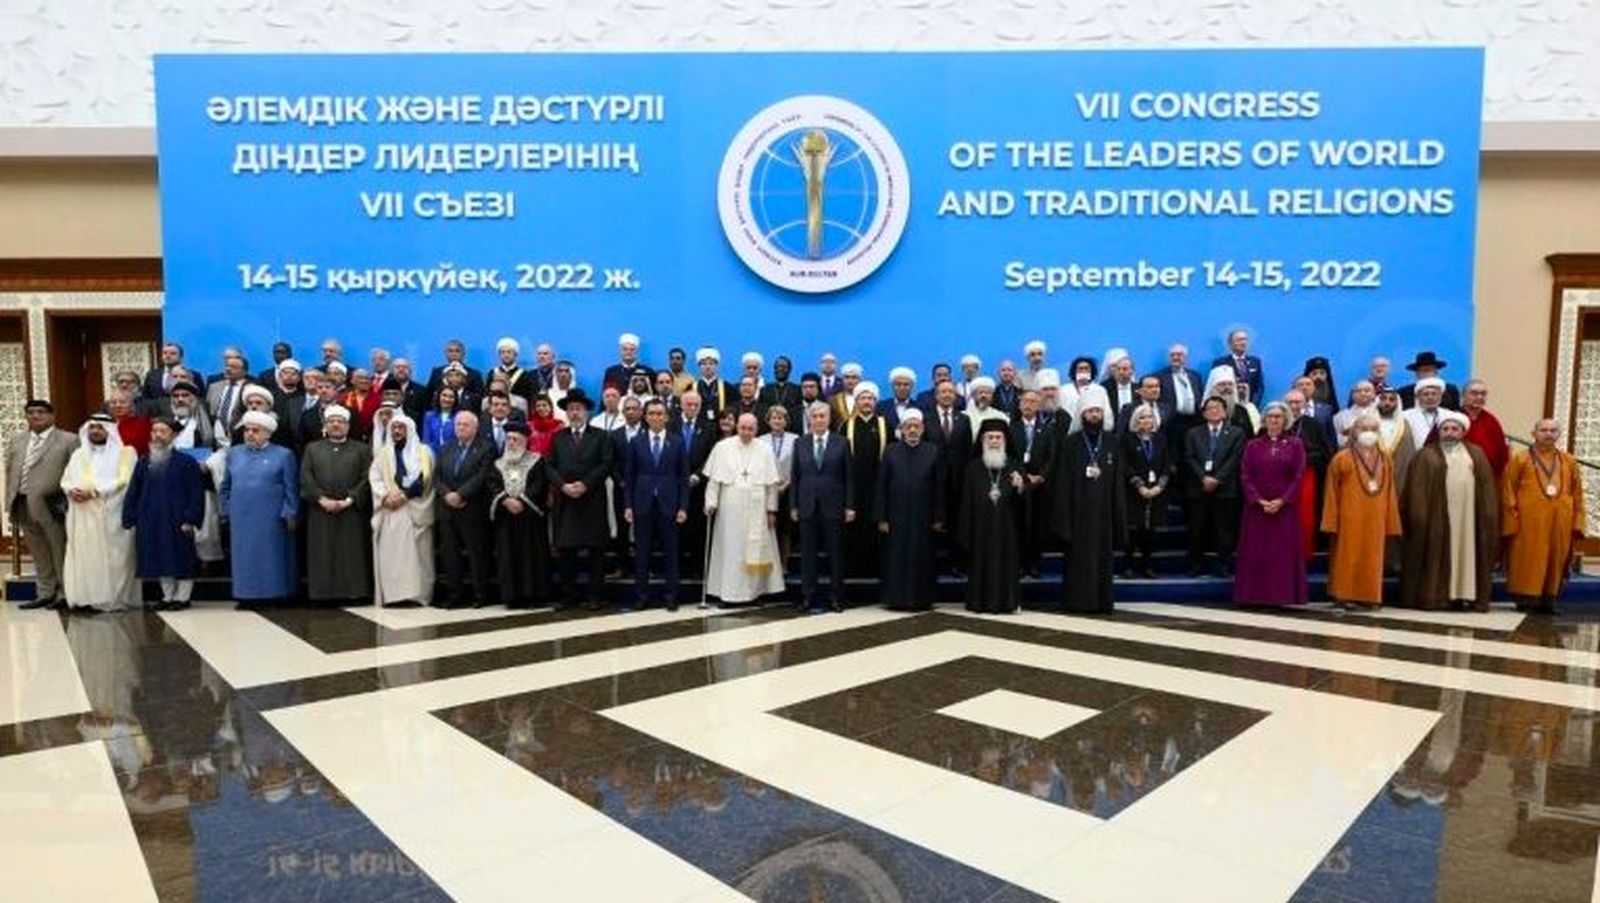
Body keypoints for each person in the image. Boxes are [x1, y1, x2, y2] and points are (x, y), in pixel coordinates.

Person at [1400, 411, 1498, 611]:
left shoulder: (1476, 454)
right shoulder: (1425, 455)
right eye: (1445, 429)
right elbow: (1415, 491)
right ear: (1439, 432)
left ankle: (1464, 595)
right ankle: (1435, 596)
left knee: (1466, 552)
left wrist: (1487, 515)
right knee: (1435, 553)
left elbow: (1487, 489)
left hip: (1468, 519)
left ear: (1463, 432)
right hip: (1435, 518)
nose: (1449, 433)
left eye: (1455, 429)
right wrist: (1420, 517)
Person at [1050, 384, 1125, 613]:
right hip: (1077, 513)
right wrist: (1064, 518)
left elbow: (1117, 481)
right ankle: (1077, 602)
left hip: (1103, 513)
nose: (1094, 415)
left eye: (1098, 411)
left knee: (1102, 559)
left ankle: (1102, 602)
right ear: (1082, 414)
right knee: (1078, 560)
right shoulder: (1070, 443)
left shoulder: (1112, 442)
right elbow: (1062, 482)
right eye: (1090, 411)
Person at [1501, 419, 1588, 613]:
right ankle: (1526, 600)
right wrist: (1511, 521)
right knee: (1528, 558)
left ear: (1558, 434)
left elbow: (1577, 493)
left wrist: (1577, 521)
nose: (1548, 434)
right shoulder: (1520, 459)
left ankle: (1549, 599)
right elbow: (1508, 492)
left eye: (1553, 430)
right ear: (1534, 434)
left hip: (1560, 522)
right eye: (1544, 430)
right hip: (1528, 522)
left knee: (1555, 559)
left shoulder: (1569, 461)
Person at [121, 418, 205, 610]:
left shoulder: (186, 462)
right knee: (159, 557)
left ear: (173, 435)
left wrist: (190, 518)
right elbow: (134, 490)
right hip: (150, 519)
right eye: (154, 431)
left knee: (181, 558)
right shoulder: (144, 461)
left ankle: (182, 598)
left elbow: (196, 494)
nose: (157, 435)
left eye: (162, 431)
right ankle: (167, 597)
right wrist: (130, 515)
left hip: (178, 519)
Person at [1320, 413, 1401, 610]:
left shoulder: (1385, 459)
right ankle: (1343, 595)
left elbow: (1390, 491)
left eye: (1373, 429)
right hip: (1348, 516)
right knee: (1347, 556)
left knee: (1373, 557)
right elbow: (1331, 492)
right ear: (1354, 432)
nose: (1369, 433)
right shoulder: (1341, 458)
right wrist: (1331, 520)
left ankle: (1370, 595)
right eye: (1364, 429)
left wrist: (1391, 520)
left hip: (1376, 518)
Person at [702, 413, 785, 604]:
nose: (746, 432)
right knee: (730, 550)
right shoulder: (722, 447)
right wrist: (710, 502)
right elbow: (714, 481)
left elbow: (771, 485)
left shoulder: (765, 449)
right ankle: (728, 594)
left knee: (754, 550)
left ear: (757, 429)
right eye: (742, 428)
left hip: (758, 509)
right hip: (729, 510)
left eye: (750, 429)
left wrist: (771, 510)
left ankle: (754, 593)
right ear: (736, 427)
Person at [60, 413, 138, 613]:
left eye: (100, 427)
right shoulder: (79, 454)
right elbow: (66, 479)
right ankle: (85, 598)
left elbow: (125, 481)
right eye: (92, 427)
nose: (95, 431)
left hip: (113, 513)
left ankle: (113, 599)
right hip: (82, 513)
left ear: (110, 431)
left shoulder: (126, 453)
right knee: (86, 556)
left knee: (116, 559)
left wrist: (95, 492)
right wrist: (71, 491)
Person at [221, 410, 299, 606]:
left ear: (268, 433)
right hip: (241, 516)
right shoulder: (234, 453)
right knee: (243, 557)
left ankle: (274, 595)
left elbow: (291, 488)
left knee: (270, 557)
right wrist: (225, 509)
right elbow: (226, 485)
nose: (250, 434)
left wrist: (290, 511)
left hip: (271, 517)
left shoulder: (284, 455)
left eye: (255, 430)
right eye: (247, 430)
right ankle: (245, 595)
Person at [1234, 402, 1308, 607]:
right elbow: (1245, 475)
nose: (1274, 420)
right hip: (1257, 509)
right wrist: (1258, 500)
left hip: (1285, 509)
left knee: (1282, 554)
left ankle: (1282, 596)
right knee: (1256, 551)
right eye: (1271, 416)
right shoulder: (1252, 445)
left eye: (1278, 417)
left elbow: (1299, 475)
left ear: (1285, 420)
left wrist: (1282, 500)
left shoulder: (1295, 444)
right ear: (1264, 420)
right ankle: (1253, 596)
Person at [299, 405, 372, 605]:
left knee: (351, 552)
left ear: (348, 426)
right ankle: (322, 595)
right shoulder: (312, 449)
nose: (336, 425)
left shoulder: (362, 449)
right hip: (320, 509)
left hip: (351, 510)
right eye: (332, 421)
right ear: (325, 425)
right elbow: (306, 477)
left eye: (341, 421)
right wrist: (322, 499)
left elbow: (367, 478)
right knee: (321, 552)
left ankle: (353, 593)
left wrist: (348, 500)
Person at [547, 389, 613, 609]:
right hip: (566, 501)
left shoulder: (601, 436)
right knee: (567, 551)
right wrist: (563, 486)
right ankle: (569, 596)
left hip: (592, 499)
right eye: (571, 409)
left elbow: (606, 464)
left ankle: (595, 596)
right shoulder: (558, 437)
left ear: (586, 412)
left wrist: (585, 484)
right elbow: (549, 466)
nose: (574, 413)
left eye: (578, 409)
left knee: (596, 551)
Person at [621, 398, 689, 611]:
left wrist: (683, 507)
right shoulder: (636, 442)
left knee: (671, 552)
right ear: (645, 416)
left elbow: (683, 477)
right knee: (642, 552)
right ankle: (641, 596)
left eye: (660, 413)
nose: (656, 417)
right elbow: (629, 476)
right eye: (651, 413)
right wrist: (628, 505)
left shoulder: (677, 442)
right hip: (642, 504)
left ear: (666, 417)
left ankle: (671, 596)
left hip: (670, 505)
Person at [874, 409, 945, 611]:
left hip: (924, 517)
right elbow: (882, 485)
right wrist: (882, 517)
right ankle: (895, 598)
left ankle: (922, 599)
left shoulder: (933, 451)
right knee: (896, 558)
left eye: (916, 426)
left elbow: (939, 487)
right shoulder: (891, 451)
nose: (912, 430)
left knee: (922, 558)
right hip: (896, 517)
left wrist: (938, 517)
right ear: (902, 429)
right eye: (908, 426)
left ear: (922, 429)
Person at [7, 400, 75, 610]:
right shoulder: (18, 440)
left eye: (41, 412)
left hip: (52, 505)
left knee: (59, 549)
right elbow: (10, 471)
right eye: (31, 412)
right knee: (38, 552)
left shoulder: (68, 440)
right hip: (22, 502)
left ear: (52, 416)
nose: (35, 416)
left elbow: (76, 471)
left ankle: (65, 593)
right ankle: (45, 592)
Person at [959, 419, 1028, 614]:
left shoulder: (1014, 465)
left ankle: (1008, 602)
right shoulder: (973, 467)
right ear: (983, 441)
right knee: (980, 563)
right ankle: (979, 602)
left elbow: (1024, 503)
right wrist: (966, 532)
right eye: (990, 437)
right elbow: (966, 502)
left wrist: (1020, 487)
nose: (994, 441)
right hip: (980, 529)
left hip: (1007, 527)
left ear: (1005, 441)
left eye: (998, 437)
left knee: (1006, 564)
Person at [791, 401, 854, 613]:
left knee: (835, 554)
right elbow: (795, 477)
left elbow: (849, 477)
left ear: (829, 419)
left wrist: (850, 505)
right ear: (809, 419)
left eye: (822, 416)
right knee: (808, 555)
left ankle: (836, 597)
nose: (818, 420)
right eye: (815, 416)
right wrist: (793, 506)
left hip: (834, 506)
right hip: (807, 506)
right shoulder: (800, 443)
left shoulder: (842, 442)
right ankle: (808, 596)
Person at [369, 414, 435, 606]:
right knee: (393, 556)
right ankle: (394, 596)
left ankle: (418, 597)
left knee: (419, 557)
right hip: (392, 510)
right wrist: (385, 496)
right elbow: (375, 477)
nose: (397, 431)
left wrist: (404, 496)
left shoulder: (424, 452)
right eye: (394, 428)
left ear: (410, 430)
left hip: (416, 510)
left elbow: (426, 478)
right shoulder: (384, 454)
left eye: (401, 427)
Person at [486, 423, 551, 609]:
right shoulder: (497, 464)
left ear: (525, 441)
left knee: (531, 557)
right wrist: (506, 500)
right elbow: (492, 485)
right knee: (508, 557)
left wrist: (522, 501)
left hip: (530, 519)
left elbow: (539, 485)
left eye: (515, 439)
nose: (511, 443)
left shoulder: (536, 461)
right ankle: (511, 596)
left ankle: (533, 595)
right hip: (506, 519)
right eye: (508, 439)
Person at [435, 411, 495, 608]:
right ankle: (455, 594)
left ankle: (480, 595)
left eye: (465, 424)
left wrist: (461, 494)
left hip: (472, 509)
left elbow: (482, 476)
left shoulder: (486, 448)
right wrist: (447, 494)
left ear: (475, 428)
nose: (460, 427)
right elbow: (437, 477)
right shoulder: (446, 448)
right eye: (458, 424)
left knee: (476, 554)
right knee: (450, 554)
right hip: (447, 509)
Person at [1184, 396, 1246, 576]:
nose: (1214, 411)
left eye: (1218, 407)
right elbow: (1189, 458)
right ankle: (1195, 565)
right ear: (1204, 413)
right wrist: (1203, 478)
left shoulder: (1236, 433)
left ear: (1225, 411)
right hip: (1198, 487)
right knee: (1197, 528)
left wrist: (1217, 479)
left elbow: (1235, 459)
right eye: (1210, 408)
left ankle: (1224, 565)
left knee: (1224, 529)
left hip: (1225, 488)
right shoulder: (1193, 433)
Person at [1121, 404, 1174, 579]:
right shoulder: (1127, 440)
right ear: (1135, 421)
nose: (1146, 420)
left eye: (1149, 416)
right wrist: (1140, 486)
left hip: (1156, 492)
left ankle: (1148, 566)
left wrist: (1159, 486)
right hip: (1134, 492)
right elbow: (1125, 466)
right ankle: (1128, 565)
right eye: (1142, 417)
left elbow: (1166, 465)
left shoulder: (1161, 439)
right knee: (1133, 530)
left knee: (1150, 531)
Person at [1010, 390, 1055, 576]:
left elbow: (1052, 457)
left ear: (1038, 406)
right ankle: (1019, 563)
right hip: (1018, 484)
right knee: (1018, 524)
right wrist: (1023, 476)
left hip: (1040, 486)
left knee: (1037, 525)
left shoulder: (1047, 430)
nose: (1028, 405)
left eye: (1033, 402)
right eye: (1025, 401)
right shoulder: (1012, 428)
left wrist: (1041, 476)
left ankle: (1034, 563)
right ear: (1020, 404)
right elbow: (1010, 456)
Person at [673, 391, 717, 580]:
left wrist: (698, 475)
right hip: (674, 486)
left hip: (699, 486)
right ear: (681, 405)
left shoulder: (709, 427)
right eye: (688, 404)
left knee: (698, 529)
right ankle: (678, 568)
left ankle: (698, 568)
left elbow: (711, 456)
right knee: (677, 529)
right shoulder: (671, 424)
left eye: (696, 405)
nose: (692, 408)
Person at [1460, 379, 1509, 480]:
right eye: (1474, 393)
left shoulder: (1491, 421)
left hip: (1486, 478)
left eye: (1483, 394)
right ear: (1463, 396)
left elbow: (1502, 453)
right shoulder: (1454, 418)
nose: (1479, 397)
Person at [1212, 328, 1265, 404]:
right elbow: (1215, 387)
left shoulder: (1255, 362)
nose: (1243, 343)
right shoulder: (1220, 362)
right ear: (1230, 343)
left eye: (1245, 339)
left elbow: (1259, 387)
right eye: (1239, 340)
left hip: (1250, 405)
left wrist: (1252, 404)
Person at [1402, 377, 1449, 450]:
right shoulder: (1405, 416)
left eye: (1434, 394)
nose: (1430, 397)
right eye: (1425, 394)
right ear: (1418, 397)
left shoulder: (1449, 415)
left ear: (1440, 396)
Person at [422, 385, 462, 455]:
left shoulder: (460, 416)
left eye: (451, 397)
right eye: (444, 395)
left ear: (455, 399)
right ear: (439, 397)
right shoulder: (429, 416)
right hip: (432, 454)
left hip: (452, 455)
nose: (447, 399)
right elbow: (426, 440)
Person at [695, 347, 734, 415]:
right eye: (704, 364)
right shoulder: (691, 387)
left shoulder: (728, 388)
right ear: (699, 366)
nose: (708, 367)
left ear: (716, 366)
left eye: (711, 363)